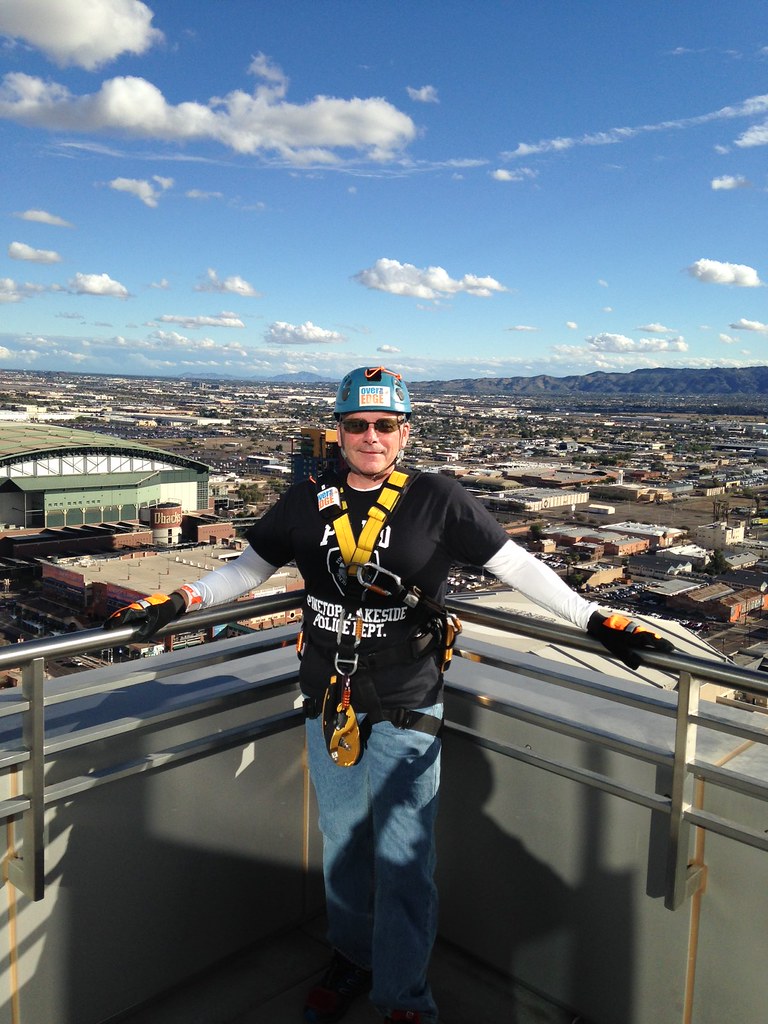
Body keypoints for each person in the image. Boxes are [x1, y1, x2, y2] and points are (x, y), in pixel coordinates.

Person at [104, 366, 673, 1024]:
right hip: (330, 699)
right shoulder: (303, 501)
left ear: (405, 433)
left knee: (403, 855)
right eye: (357, 425)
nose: (371, 437)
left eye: (385, 426)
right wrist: (181, 598)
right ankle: (352, 956)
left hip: (407, 695)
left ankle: (403, 997)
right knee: (343, 842)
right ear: (338, 432)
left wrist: (593, 618)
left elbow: (513, 564)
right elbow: (249, 568)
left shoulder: (438, 499)